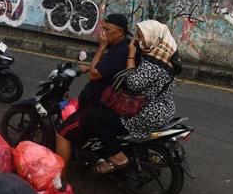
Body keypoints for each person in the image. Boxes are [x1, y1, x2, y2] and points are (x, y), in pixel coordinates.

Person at [55, 20, 178, 175]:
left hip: (145, 113)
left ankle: (117, 157)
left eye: (141, 36)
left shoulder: (154, 64)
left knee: (92, 118)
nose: (137, 40)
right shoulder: (164, 58)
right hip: (160, 108)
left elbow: (133, 83)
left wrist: (131, 55)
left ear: (152, 37)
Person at [77, 13, 131, 110]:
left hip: (100, 104)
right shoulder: (119, 46)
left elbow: (93, 75)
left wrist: (101, 47)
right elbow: (112, 68)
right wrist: (90, 67)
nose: (103, 33)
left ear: (120, 32)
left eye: (107, 30)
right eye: (103, 29)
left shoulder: (120, 52)